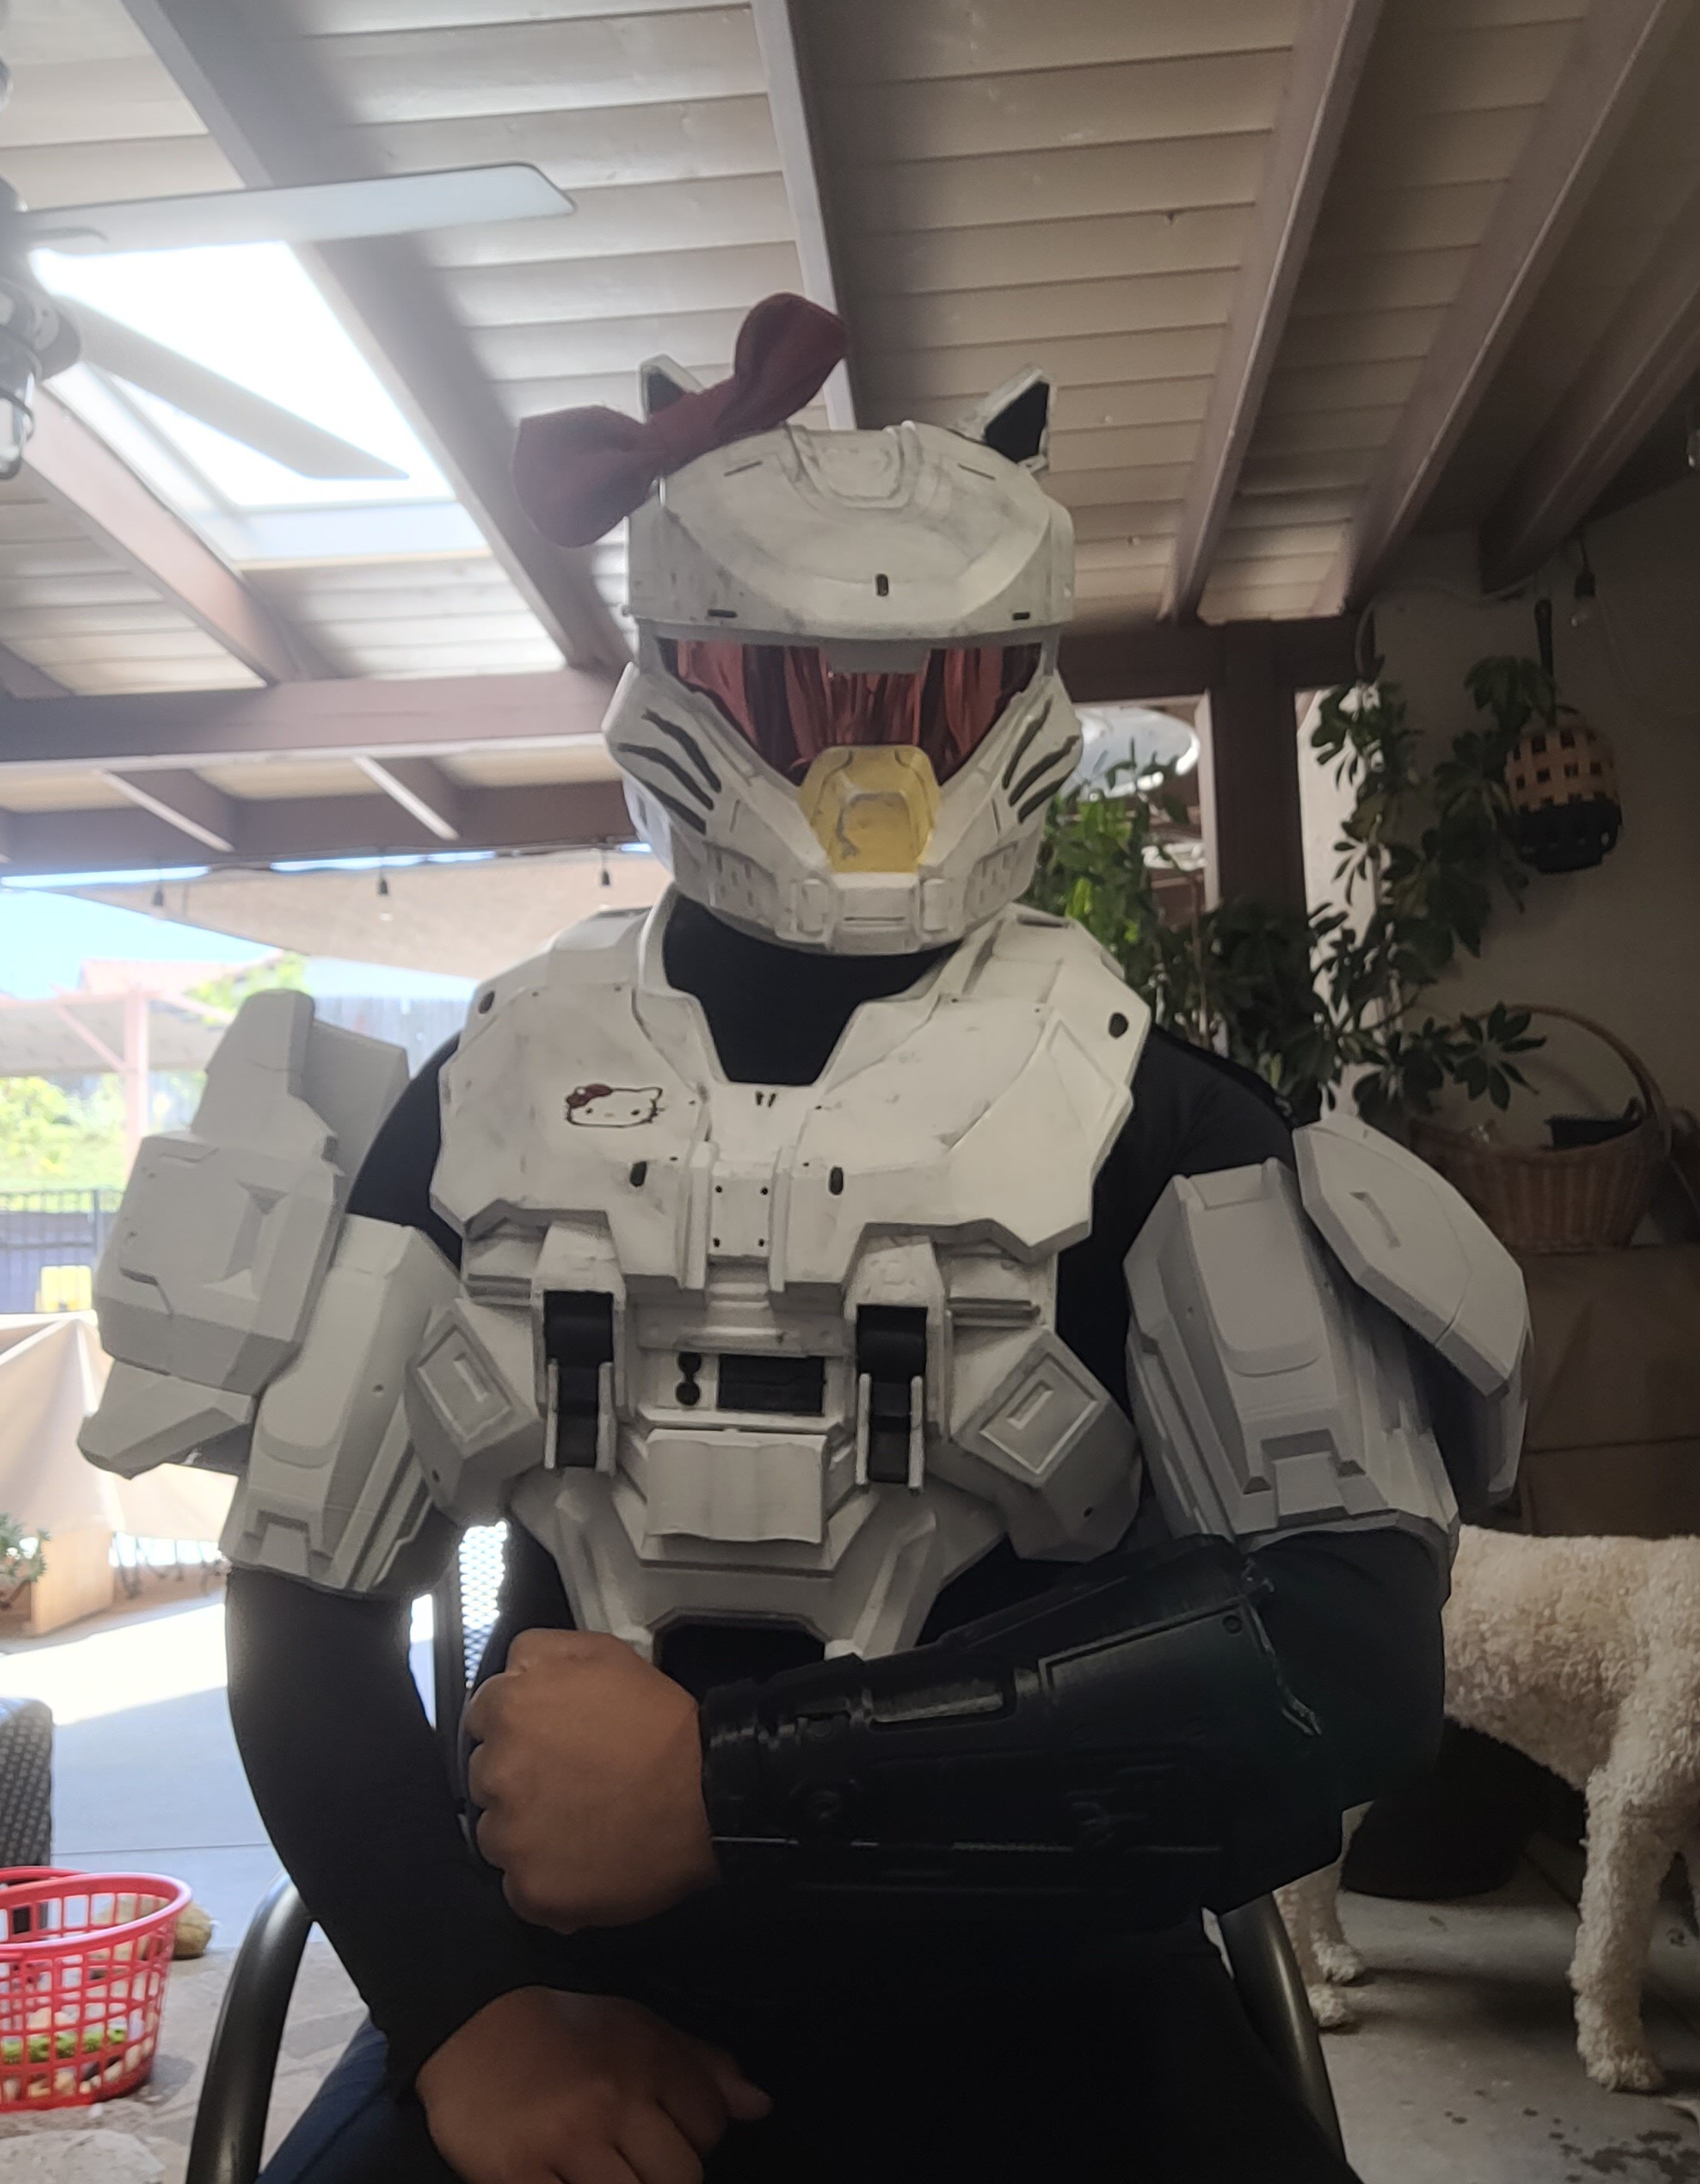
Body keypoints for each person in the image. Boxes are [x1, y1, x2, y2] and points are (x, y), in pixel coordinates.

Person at [81, 294, 1528, 2184]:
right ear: (687, 681)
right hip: (555, 1990)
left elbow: (1343, 1653)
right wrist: (461, 2008)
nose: (874, 771)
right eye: (808, 702)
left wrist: (726, 1788)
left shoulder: (1165, 1119)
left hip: (1060, 1980)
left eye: (927, 701)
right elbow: (300, 1597)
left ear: (1017, 690)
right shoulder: (488, 1089)